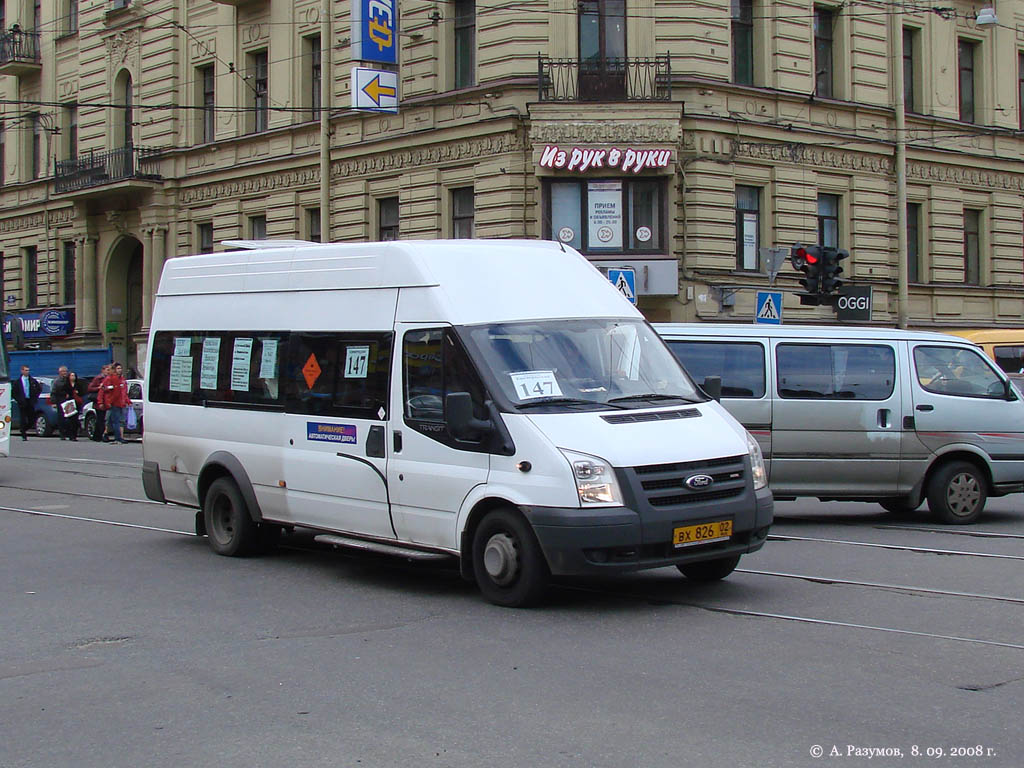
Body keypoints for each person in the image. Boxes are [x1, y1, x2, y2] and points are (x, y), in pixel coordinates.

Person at [98, 362, 131, 444]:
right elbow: (103, 390)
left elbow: (123, 392)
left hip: (120, 403)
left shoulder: (122, 379)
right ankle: (114, 436)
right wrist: (103, 402)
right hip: (114, 403)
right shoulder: (110, 379)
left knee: (120, 420)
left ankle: (119, 437)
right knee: (111, 420)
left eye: (120, 368)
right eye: (118, 368)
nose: (120, 370)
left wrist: (127, 401)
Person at [11, 365, 41, 441]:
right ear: (22, 371)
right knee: (23, 418)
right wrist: (19, 400)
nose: (27, 372)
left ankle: (24, 428)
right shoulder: (18, 382)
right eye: (25, 370)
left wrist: (34, 398)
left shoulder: (32, 381)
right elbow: (14, 392)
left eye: (28, 370)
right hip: (22, 402)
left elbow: (38, 389)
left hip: (30, 401)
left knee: (32, 419)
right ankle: (24, 434)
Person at [88, 364, 113, 441]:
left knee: (104, 419)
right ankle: (100, 435)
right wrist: (98, 387)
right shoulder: (98, 378)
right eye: (107, 370)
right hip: (99, 402)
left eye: (109, 370)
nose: (108, 372)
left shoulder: (111, 378)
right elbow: (90, 388)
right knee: (100, 419)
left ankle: (97, 435)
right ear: (103, 370)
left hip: (107, 401)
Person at [60, 371, 86, 441]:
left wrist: (78, 393)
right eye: (71, 376)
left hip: (76, 403)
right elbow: (62, 392)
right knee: (70, 420)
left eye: (74, 376)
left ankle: (74, 435)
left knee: (75, 420)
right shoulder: (66, 385)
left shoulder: (78, 384)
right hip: (69, 403)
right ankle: (69, 434)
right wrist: (66, 395)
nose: (73, 377)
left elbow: (82, 392)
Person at [50, 365, 71, 440]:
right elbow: (53, 392)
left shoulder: (69, 380)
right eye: (63, 371)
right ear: (59, 372)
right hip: (60, 401)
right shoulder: (57, 381)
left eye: (65, 371)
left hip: (69, 401)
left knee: (69, 417)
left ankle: (69, 433)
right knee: (61, 418)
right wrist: (54, 402)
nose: (64, 373)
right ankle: (62, 434)